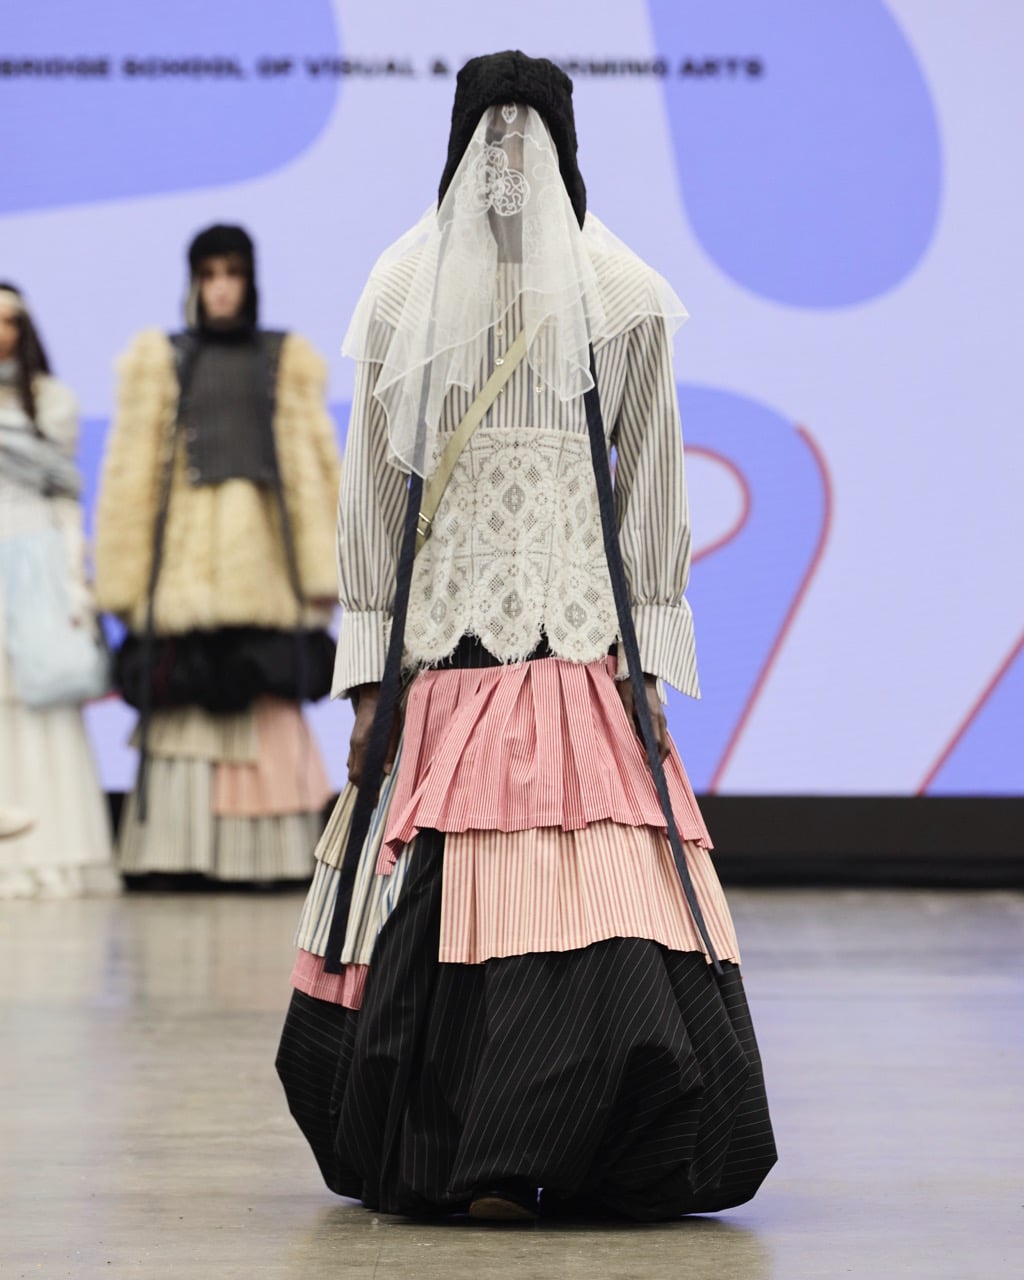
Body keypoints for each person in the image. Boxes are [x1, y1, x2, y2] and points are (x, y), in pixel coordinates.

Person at [277, 52, 776, 1220]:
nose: (507, 161)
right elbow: (373, 498)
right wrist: (368, 677)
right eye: (489, 135)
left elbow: (650, 487)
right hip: (455, 667)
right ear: (461, 139)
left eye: (526, 134)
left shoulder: (617, 293)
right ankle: (493, 1143)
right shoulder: (406, 285)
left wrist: (649, 664)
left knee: (572, 891)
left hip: (570, 659)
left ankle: (534, 1139)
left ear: (560, 140)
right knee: (546, 893)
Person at [94, 227, 341, 883]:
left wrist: (324, 568)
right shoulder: (163, 359)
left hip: (266, 555)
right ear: (194, 282)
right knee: (184, 689)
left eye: (232, 273)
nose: (221, 288)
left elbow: (312, 466)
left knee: (265, 688)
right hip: (184, 556)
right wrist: (122, 576)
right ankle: (177, 852)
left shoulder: (284, 358)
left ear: (250, 280)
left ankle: (266, 855)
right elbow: (131, 471)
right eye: (209, 274)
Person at [0, 283, 117, 898]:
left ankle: (55, 855)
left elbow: (63, 489)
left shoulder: (52, 401)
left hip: (37, 560)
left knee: (44, 698)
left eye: (10, 320)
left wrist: (76, 582)